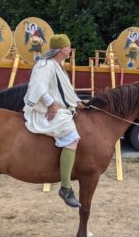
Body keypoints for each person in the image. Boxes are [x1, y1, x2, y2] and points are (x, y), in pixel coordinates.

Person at [23, 34, 86, 208]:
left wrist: (77, 101)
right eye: (68, 47)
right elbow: (38, 86)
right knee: (73, 137)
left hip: (60, 107)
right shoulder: (45, 64)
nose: (70, 50)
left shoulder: (58, 65)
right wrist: (51, 104)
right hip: (44, 110)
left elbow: (65, 91)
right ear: (60, 50)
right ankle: (66, 187)